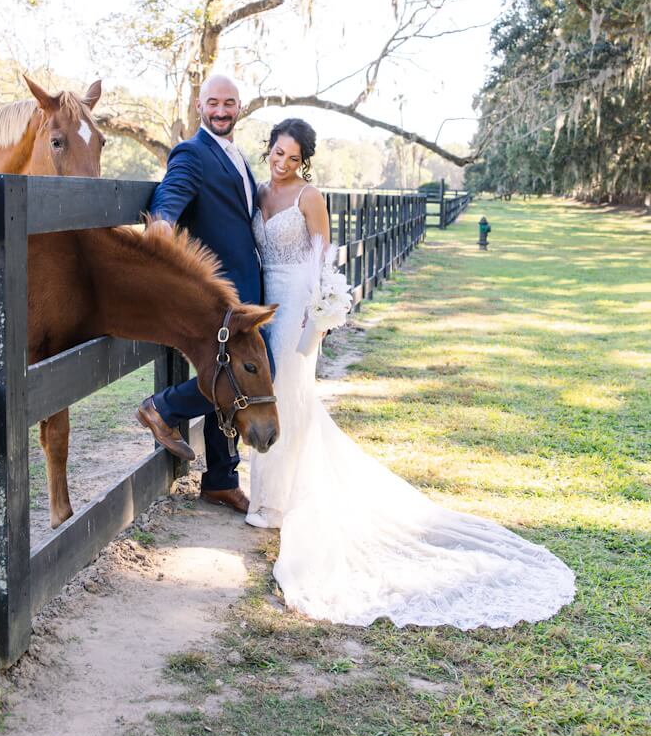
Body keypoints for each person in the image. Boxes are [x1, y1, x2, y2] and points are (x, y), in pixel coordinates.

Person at [247, 116, 576, 629]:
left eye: (291, 156)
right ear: (267, 149)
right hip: (261, 302)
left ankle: (278, 504)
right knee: (266, 394)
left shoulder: (309, 197)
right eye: (277, 152)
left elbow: (324, 257)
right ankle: (268, 494)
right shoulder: (260, 191)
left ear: (304, 160)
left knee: (290, 394)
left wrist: (321, 314)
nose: (282, 162)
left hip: (296, 307)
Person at [136, 74, 268, 515]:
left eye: (229, 103)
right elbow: (171, 191)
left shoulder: (236, 156)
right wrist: (161, 222)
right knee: (238, 377)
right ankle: (162, 407)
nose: (221, 110)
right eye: (213, 102)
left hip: (244, 290)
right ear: (199, 105)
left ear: (240, 107)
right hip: (218, 294)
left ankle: (220, 480)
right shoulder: (193, 152)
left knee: (231, 377)